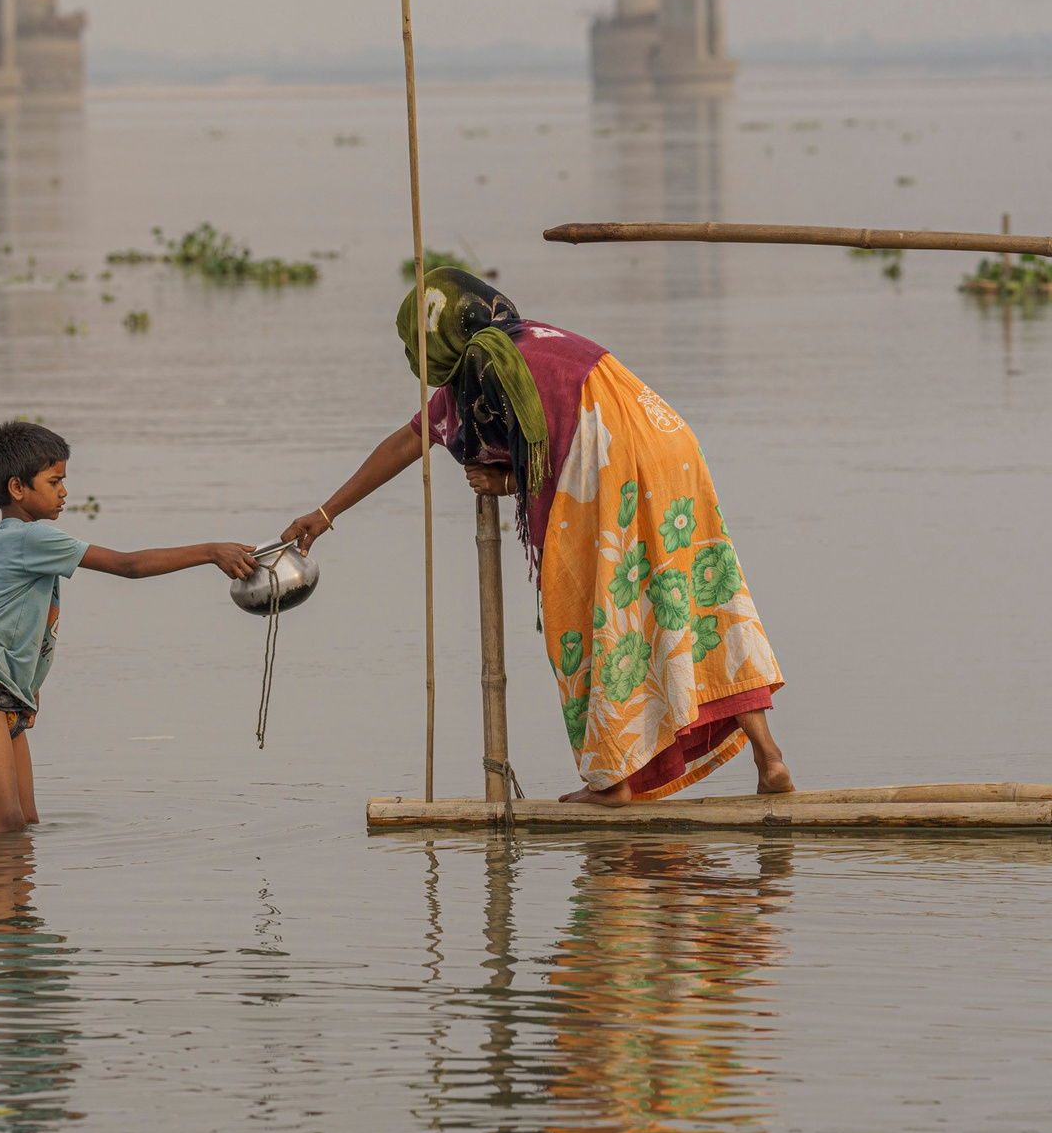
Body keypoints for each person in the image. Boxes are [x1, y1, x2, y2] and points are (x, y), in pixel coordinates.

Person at [280, 268, 791, 804]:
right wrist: (326, 511)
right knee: (696, 601)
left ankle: (613, 782)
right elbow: (415, 439)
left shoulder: (484, 372)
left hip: (610, 464)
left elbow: (549, 443)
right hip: (669, 443)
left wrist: (507, 480)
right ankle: (769, 758)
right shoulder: (529, 340)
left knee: (595, 617)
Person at [0, 421, 257, 834]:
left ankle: (11, 898)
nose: (64, 491)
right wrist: (209, 551)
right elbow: (128, 566)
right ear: (17, 488)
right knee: (6, 821)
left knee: (25, 824)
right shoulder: (31, 538)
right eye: (54, 481)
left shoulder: (13, 538)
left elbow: (14, 621)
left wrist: (27, 681)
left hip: (8, 692)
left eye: (64, 480)